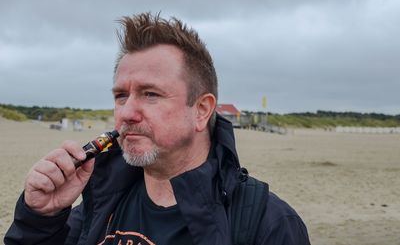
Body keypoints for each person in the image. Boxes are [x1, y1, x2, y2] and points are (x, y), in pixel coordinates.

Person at [4, 13, 310, 245]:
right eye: (120, 96)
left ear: (201, 110)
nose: (126, 113)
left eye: (151, 94)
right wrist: (41, 218)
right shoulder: (100, 204)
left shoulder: (267, 223)